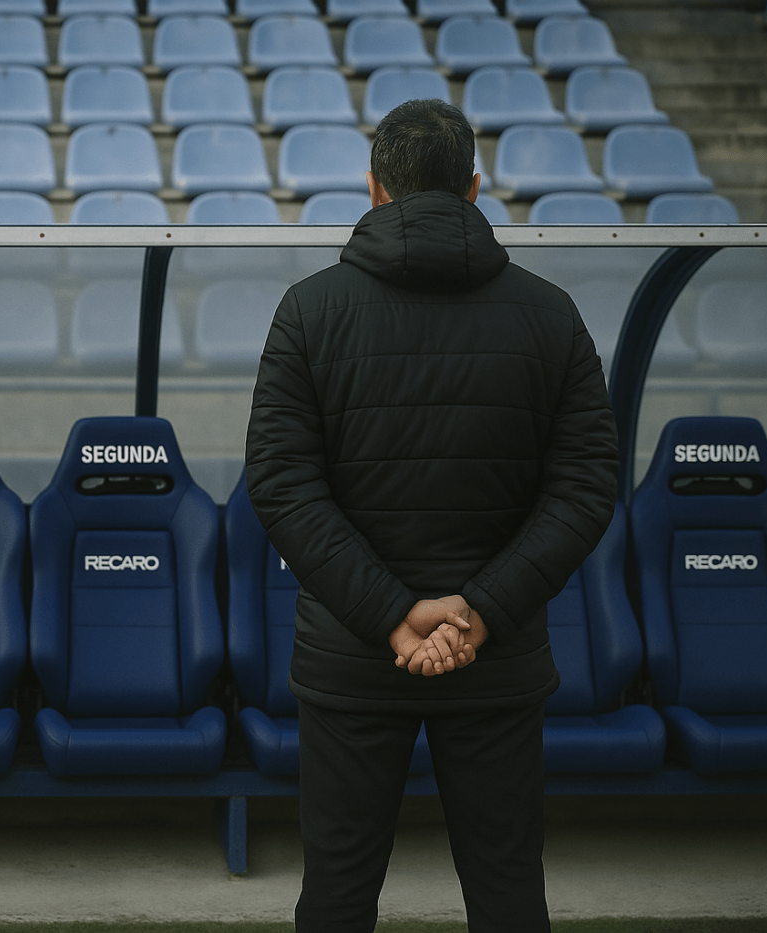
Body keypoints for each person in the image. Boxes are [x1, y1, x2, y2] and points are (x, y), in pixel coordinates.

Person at [244, 98, 619, 933]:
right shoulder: (551, 313)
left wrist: (393, 616)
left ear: (373, 190)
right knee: (508, 889)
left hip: (351, 655)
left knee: (338, 894)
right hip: (499, 655)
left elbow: (280, 482)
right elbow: (589, 483)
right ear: (475, 190)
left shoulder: (308, 311)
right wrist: (479, 613)